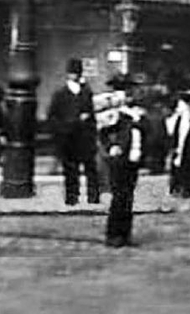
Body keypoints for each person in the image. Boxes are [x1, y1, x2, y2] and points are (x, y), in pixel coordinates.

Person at [46, 58, 100, 206]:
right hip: (68, 137)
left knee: (91, 168)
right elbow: (52, 116)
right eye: (72, 72)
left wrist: (91, 128)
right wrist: (62, 129)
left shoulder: (86, 92)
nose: (74, 75)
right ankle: (72, 198)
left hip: (85, 136)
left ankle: (93, 197)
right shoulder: (60, 94)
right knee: (70, 170)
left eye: (77, 72)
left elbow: (92, 114)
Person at [99, 84, 144, 248]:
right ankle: (114, 235)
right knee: (119, 197)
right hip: (120, 160)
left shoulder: (137, 115)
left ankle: (125, 234)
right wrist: (111, 147)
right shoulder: (115, 115)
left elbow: (143, 132)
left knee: (128, 198)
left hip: (133, 160)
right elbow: (104, 133)